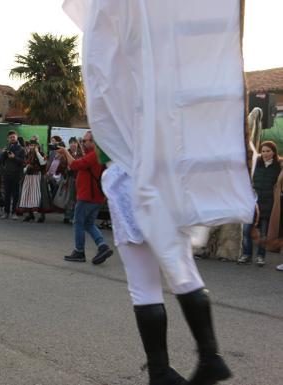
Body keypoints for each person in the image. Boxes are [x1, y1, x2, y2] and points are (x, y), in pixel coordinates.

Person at [63, 1, 254, 383]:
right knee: (183, 272)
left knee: (144, 284)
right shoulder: (167, 82)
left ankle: (161, 370)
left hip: (133, 180)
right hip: (169, 180)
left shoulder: (123, 85)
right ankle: (209, 357)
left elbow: (101, 79)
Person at [57, 131, 113, 264]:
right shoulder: (97, 154)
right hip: (95, 197)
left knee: (78, 223)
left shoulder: (94, 155)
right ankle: (102, 246)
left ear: (94, 142)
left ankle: (79, 251)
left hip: (88, 196)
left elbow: (75, 165)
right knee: (88, 223)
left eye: (85, 141)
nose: (82, 143)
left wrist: (65, 152)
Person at [239, 141, 283, 266]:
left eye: (268, 151)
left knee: (263, 233)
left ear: (274, 152)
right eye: (263, 151)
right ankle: (246, 255)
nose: (265, 153)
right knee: (246, 231)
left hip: (268, 203)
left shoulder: (278, 167)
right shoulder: (255, 164)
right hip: (252, 203)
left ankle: (260, 257)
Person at [18, 140, 51, 223]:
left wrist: (37, 152)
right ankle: (30, 214)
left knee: (40, 196)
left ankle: (42, 216)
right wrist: (27, 167)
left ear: (37, 146)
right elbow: (24, 166)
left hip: (37, 177)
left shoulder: (41, 154)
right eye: (31, 145)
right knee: (27, 195)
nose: (32, 147)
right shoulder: (28, 155)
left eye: (34, 145)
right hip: (28, 177)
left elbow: (43, 163)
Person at [0, 130, 26, 220]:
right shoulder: (7, 147)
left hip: (16, 175)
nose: (12, 138)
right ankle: (6, 212)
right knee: (7, 194)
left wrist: (14, 158)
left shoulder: (21, 149)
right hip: (7, 175)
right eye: (10, 137)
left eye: (13, 137)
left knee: (15, 194)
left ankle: (14, 212)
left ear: (16, 137)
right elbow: (0, 161)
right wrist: (3, 153)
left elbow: (23, 162)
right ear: (8, 139)